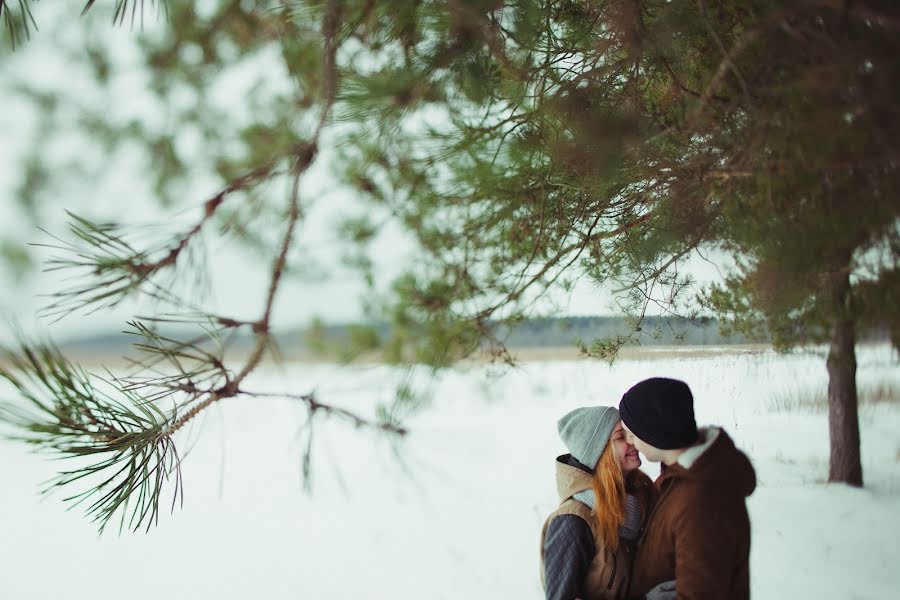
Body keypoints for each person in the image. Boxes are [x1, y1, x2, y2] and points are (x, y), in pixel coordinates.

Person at [619, 377, 756, 600]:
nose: (629, 441)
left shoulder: (701, 500)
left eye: (632, 432)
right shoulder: (677, 479)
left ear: (653, 432)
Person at [540, 405, 665, 600]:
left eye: (630, 433)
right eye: (620, 437)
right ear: (599, 452)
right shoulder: (573, 520)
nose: (632, 441)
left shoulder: (644, 497)